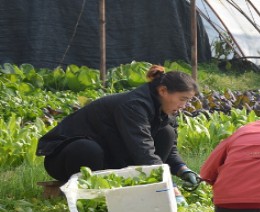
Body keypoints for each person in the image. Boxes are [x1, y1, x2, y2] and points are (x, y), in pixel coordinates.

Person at [36, 65, 200, 199]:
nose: (184, 105)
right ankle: (83, 193)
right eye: (182, 99)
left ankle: (141, 187)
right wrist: (169, 185)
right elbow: (142, 149)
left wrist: (182, 169)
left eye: (188, 100)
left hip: (109, 156)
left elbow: (170, 148)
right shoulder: (134, 106)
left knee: (167, 133)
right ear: (163, 91)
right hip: (66, 158)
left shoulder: (166, 110)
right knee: (88, 149)